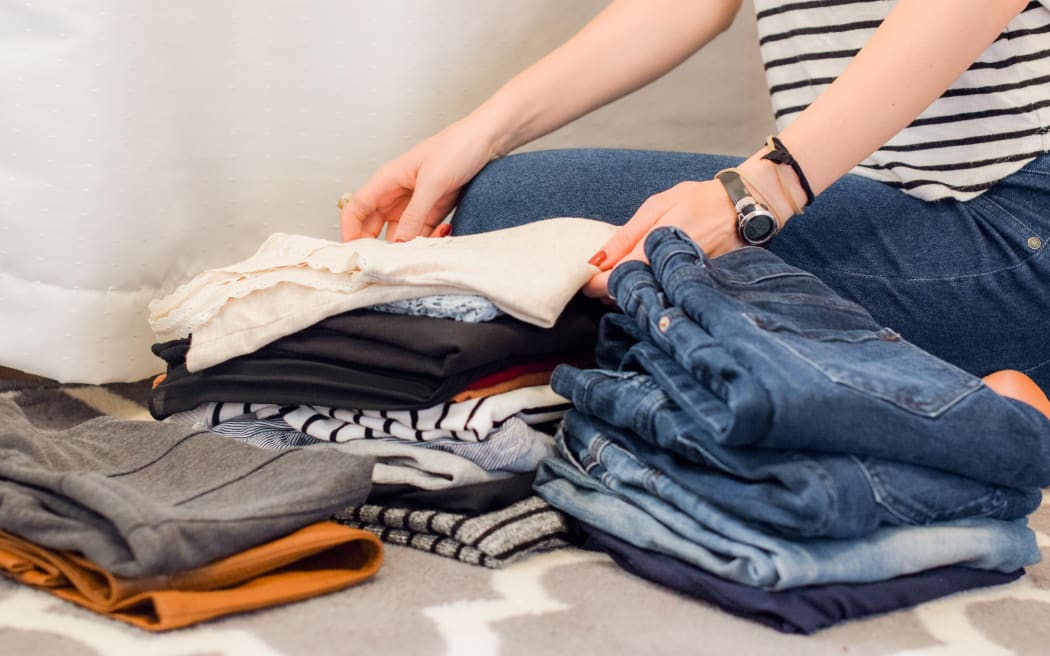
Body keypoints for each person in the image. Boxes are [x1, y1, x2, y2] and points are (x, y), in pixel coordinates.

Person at [339, 0, 1050, 410]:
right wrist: (476, 135)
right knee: (496, 205)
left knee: (519, 218)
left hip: (1011, 224)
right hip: (874, 203)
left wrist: (764, 190)